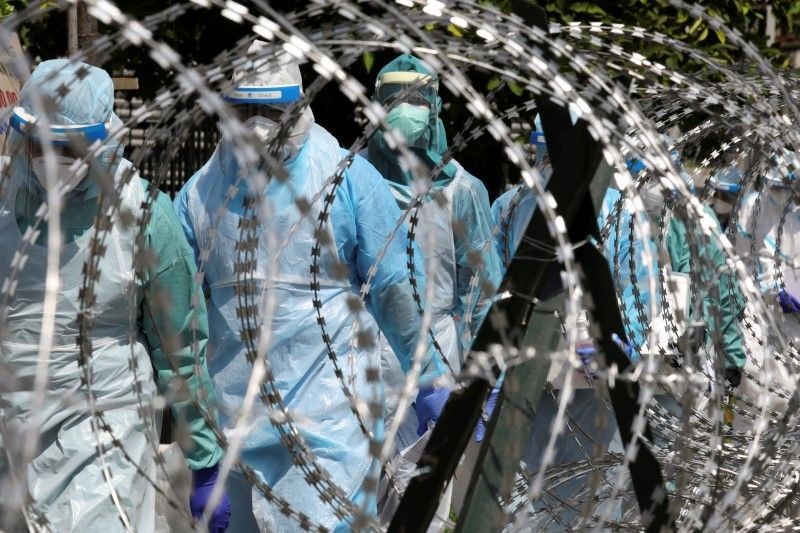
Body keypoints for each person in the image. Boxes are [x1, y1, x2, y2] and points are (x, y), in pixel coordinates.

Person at [173, 43, 445, 531]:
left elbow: (395, 288)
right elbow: (180, 329)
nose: (259, 125)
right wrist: (202, 461)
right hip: (236, 433)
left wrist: (429, 376)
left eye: (272, 110)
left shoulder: (346, 180)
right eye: (246, 110)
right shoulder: (197, 197)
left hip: (331, 430)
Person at [0, 59, 229, 531]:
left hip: (104, 426)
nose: (53, 159)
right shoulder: (5, 204)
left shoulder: (143, 217)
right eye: (43, 144)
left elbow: (179, 347)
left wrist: (204, 458)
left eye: (70, 148)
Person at [364, 53, 502, 450]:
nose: (406, 111)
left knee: (423, 502)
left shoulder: (461, 191)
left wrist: (486, 377)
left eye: (418, 101)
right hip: (360, 363)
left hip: (437, 365)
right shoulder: (353, 180)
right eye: (395, 100)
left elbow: (483, 295)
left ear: (437, 108)